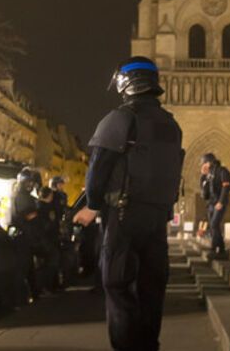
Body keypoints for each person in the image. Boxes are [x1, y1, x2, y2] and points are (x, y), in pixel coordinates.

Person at [72, 57, 183, 351]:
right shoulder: (171, 124)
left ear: (125, 83)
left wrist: (92, 204)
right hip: (157, 217)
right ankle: (148, 344)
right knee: (152, 286)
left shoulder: (120, 118)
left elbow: (98, 169)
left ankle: (127, 345)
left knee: (115, 282)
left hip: (123, 213)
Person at [9, 169, 41, 299]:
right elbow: (25, 216)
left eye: (32, 182)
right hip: (23, 236)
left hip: (27, 235)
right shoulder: (21, 196)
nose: (31, 185)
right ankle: (19, 297)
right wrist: (37, 214)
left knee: (29, 266)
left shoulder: (25, 196)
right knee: (23, 267)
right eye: (28, 182)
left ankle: (33, 293)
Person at [200, 153, 230, 258]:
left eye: (204, 163)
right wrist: (203, 177)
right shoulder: (208, 175)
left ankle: (214, 248)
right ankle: (221, 248)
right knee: (213, 226)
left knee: (214, 224)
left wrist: (221, 201)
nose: (203, 165)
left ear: (209, 162)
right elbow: (204, 193)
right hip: (211, 203)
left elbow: (226, 187)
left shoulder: (222, 171)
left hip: (219, 202)